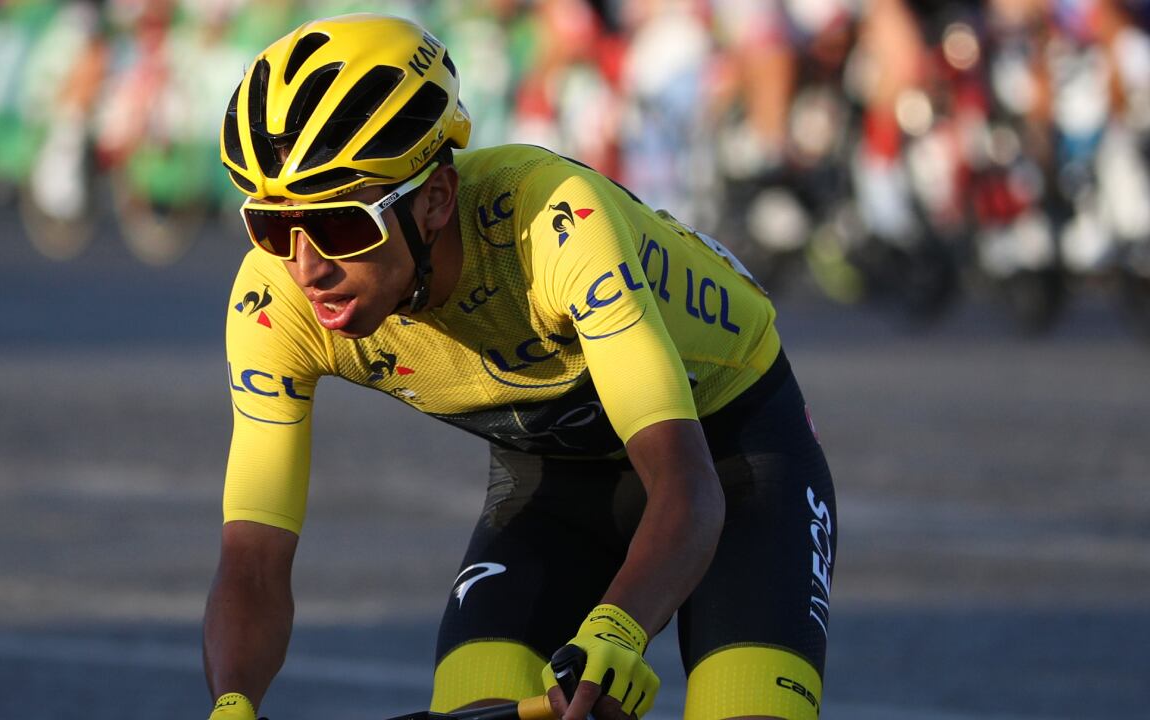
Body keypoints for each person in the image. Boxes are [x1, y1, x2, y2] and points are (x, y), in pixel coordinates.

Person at [204, 12, 836, 720]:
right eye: (272, 226)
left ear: (437, 198)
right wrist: (233, 704)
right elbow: (253, 561)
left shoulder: (552, 223)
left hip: (730, 457)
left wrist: (618, 629)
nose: (306, 265)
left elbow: (690, 490)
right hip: (555, 485)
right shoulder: (274, 300)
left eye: (341, 224)